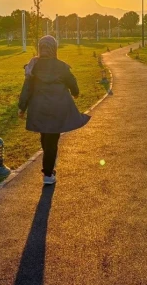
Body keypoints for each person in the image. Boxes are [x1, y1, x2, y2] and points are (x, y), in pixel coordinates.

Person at [18, 35, 90, 185]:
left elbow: (27, 88)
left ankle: (48, 168)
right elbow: (72, 82)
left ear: (41, 48)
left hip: (39, 108)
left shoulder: (34, 66)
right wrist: (75, 93)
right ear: (54, 48)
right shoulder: (62, 66)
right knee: (51, 139)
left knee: (46, 136)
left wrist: (22, 107)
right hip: (57, 108)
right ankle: (48, 173)